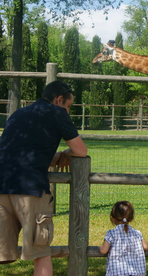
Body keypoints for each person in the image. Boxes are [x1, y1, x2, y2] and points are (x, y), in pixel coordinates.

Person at [0, 80, 87, 276]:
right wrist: (66, 153)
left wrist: (55, 156)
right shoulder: (57, 113)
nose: (68, 111)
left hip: (2, 185)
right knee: (41, 252)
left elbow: (24, 148)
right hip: (30, 189)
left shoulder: (18, 114)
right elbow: (81, 150)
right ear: (59, 100)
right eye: (68, 106)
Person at [100, 201, 148, 276]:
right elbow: (145, 247)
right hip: (137, 272)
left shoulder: (111, 234)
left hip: (118, 273)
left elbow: (103, 250)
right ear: (131, 218)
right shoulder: (137, 233)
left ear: (112, 218)